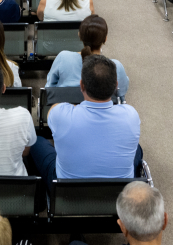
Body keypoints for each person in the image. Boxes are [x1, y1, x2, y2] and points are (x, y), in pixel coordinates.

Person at [29, 55, 142, 189]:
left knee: (36, 140)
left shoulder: (61, 115)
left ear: (81, 85)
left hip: (67, 192)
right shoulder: (131, 115)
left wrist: (78, 108)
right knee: (137, 149)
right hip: (117, 194)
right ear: (115, 86)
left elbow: (51, 110)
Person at [47, 15, 130, 98]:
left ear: (79, 35)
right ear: (105, 39)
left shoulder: (63, 57)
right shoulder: (115, 66)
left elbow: (49, 88)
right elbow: (121, 93)